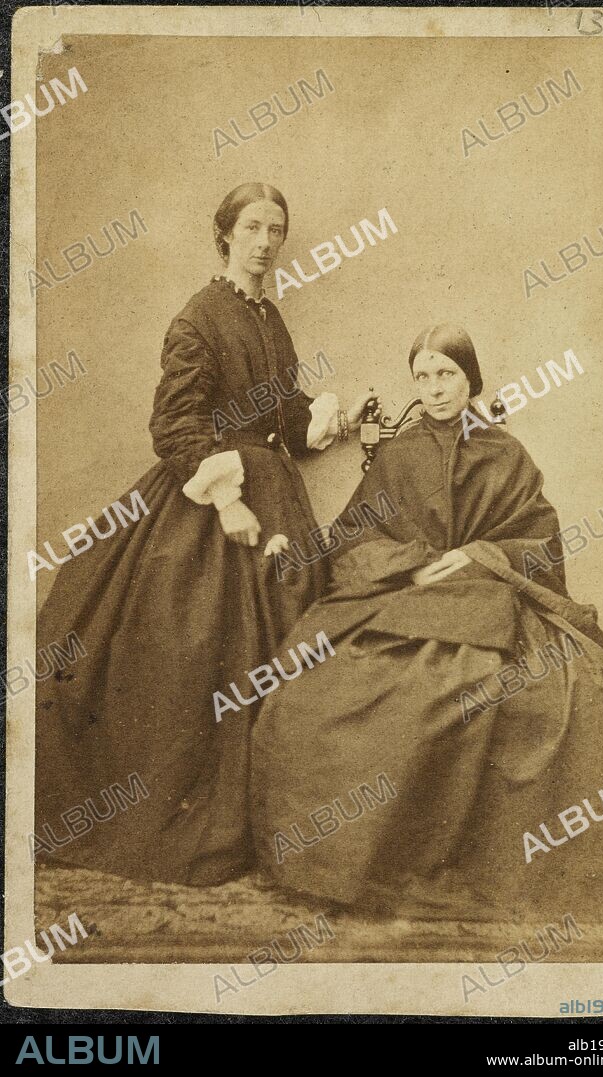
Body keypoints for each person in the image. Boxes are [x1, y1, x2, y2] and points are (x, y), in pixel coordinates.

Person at [34, 182, 376, 887]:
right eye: (252, 227)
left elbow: (283, 415)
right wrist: (227, 501)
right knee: (193, 648)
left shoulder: (270, 319)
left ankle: (276, 821)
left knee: (287, 646)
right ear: (224, 234)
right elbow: (174, 428)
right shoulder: (196, 319)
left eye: (276, 229)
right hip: (212, 502)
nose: (265, 242)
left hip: (274, 490)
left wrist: (335, 420)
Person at [250, 324, 603, 926]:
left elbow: (544, 545)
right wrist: (413, 563)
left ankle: (451, 865)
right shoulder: (400, 454)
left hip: (491, 600)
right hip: (404, 596)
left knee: (546, 695)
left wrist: (485, 556)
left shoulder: (506, 454)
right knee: (313, 693)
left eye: (447, 375)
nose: (434, 389)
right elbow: (354, 537)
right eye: (423, 377)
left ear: (470, 380)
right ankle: (350, 865)